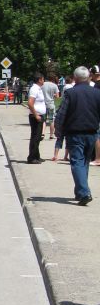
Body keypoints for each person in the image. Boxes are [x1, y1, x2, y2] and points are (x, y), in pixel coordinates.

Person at [54, 66, 100, 205]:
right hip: (92, 133)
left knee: (77, 162)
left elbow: (62, 114)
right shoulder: (97, 93)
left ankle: (84, 193)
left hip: (75, 133)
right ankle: (80, 192)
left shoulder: (70, 93)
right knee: (84, 162)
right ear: (89, 77)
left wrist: (58, 131)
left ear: (75, 78)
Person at [26, 73, 46, 163]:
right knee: (35, 137)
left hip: (39, 115)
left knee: (38, 137)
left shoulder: (38, 89)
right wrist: (36, 115)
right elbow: (30, 103)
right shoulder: (34, 89)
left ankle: (37, 156)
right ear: (39, 80)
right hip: (35, 116)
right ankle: (32, 158)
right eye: (43, 79)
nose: (44, 81)